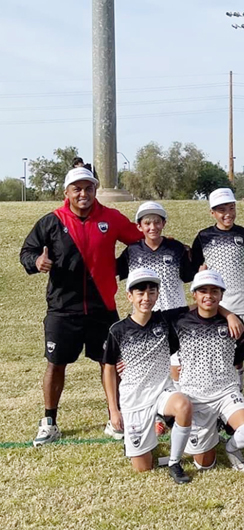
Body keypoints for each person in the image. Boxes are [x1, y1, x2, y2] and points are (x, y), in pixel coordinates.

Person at [20, 167, 143, 446]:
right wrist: (36, 262)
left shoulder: (111, 218)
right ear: (67, 193)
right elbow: (26, 252)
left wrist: (174, 248)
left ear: (95, 190)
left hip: (103, 307)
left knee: (109, 363)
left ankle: (116, 418)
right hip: (63, 309)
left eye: (88, 188)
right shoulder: (52, 221)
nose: (83, 194)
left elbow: (139, 240)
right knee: (55, 364)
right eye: (77, 189)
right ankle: (49, 422)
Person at [101, 269, 194, 483]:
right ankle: (144, 441)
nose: (146, 298)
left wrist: (228, 314)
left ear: (157, 295)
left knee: (184, 405)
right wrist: (114, 410)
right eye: (140, 292)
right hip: (134, 401)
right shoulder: (118, 330)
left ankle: (175, 462)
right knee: (144, 468)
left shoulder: (165, 320)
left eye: (152, 292)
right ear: (129, 296)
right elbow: (108, 369)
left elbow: (200, 305)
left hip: (162, 393)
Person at [173, 270, 244, 471]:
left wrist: (233, 314)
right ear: (194, 294)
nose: (208, 296)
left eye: (214, 291)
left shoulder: (233, 322)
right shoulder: (179, 320)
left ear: (221, 295)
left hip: (225, 392)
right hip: (194, 396)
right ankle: (210, 434)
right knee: (205, 465)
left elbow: (243, 353)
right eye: (202, 291)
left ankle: (231, 448)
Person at [191, 187, 244, 392]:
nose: (228, 214)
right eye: (222, 210)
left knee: (237, 354)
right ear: (212, 213)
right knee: (214, 351)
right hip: (213, 303)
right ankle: (215, 393)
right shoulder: (204, 236)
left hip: (239, 302)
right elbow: (193, 268)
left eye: (231, 208)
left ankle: (237, 394)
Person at [117, 201, 194, 388]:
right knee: (150, 365)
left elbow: (188, 276)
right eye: (147, 223)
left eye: (157, 222)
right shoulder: (132, 252)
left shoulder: (176, 248)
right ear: (139, 226)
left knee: (178, 365)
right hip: (147, 317)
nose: (153, 227)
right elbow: (110, 270)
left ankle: (179, 410)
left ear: (164, 223)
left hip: (176, 314)